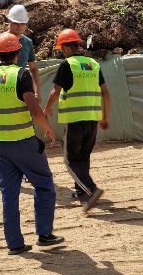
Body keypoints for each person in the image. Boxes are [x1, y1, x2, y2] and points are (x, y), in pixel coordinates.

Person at [0, 32, 64, 255]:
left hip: (0, 145)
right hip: (24, 142)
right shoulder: (21, 74)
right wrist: (47, 127)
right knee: (44, 184)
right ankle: (44, 234)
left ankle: (14, 244)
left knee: (9, 193)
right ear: (17, 53)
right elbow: (34, 109)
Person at [42, 29, 110, 211]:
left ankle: (91, 189)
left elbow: (55, 91)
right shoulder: (93, 64)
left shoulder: (68, 65)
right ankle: (81, 191)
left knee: (71, 160)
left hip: (75, 120)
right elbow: (105, 93)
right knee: (83, 156)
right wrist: (105, 117)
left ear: (65, 47)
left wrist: (47, 108)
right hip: (92, 119)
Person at [0, 4, 38, 185]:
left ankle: (25, 170)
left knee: (23, 130)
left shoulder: (27, 43)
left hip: (21, 91)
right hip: (0, 90)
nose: (19, 27)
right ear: (9, 22)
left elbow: (33, 68)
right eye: (16, 23)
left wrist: (36, 90)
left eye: (22, 24)